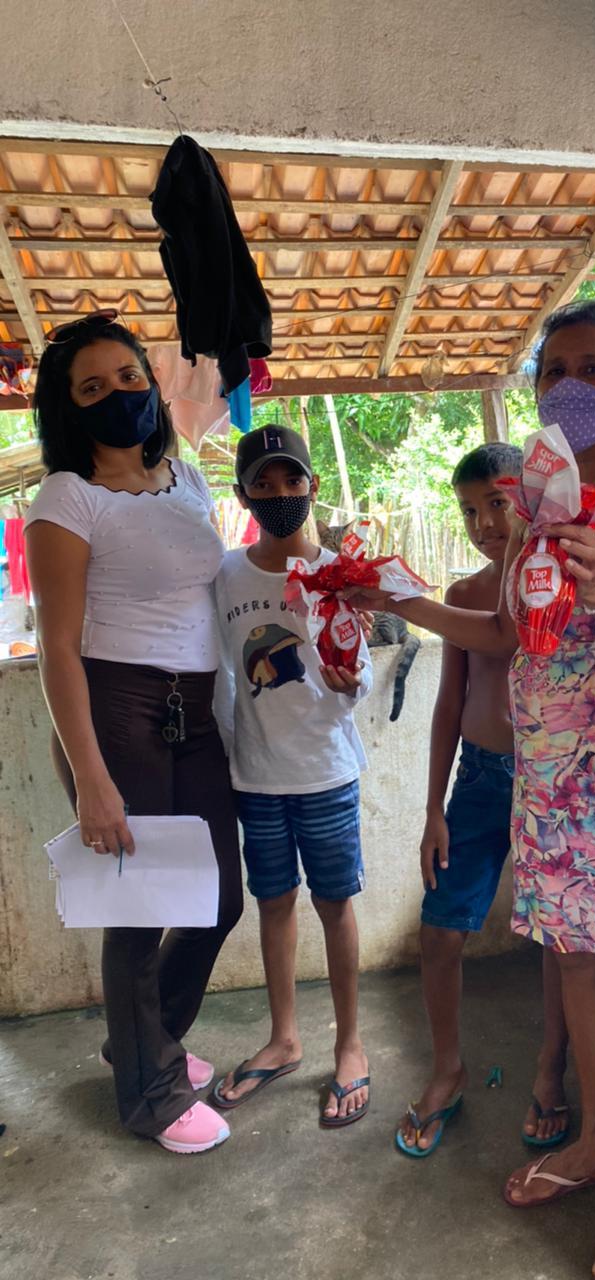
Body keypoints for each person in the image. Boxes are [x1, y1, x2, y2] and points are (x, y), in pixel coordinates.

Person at [350, 301, 595, 1277]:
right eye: (553, 370)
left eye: (593, 366)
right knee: (575, 963)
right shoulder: (538, 490)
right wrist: (406, 601)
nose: (569, 385)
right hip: (544, 775)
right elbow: (504, 635)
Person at [24, 311, 243, 1155]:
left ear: (150, 387)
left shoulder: (186, 481)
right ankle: (149, 1095)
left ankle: (147, 1042)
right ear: (69, 409)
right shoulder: (65, 498)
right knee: (140, 911)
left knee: (220, 896)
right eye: (91, 387)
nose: (116, 394)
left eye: (126, 378)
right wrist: (91, 777)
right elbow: (59, 651)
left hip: (196, 709)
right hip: (117, 708)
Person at [396, 441, 572, 1157]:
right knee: (440, 930)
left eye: (496, 504)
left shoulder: (558, 583)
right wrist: (433, 807)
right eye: (469, 510)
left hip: (550, 779)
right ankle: (448, 1070)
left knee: (560, 943)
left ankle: (551, 1069)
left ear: (526, 499)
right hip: (478, 778)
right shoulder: (464, 595)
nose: (483, 523)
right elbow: (449, 704)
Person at [211, 425, 372, 1126]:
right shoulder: (227, 575)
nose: (280, 494)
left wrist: (348, 686)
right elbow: (218, 670)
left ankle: (352, 1045)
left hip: (327, 771)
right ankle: (284, 1038)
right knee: (273, 904)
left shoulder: (342, 573)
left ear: (312, 483)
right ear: (243, 492)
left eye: (292, 480)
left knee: (336, 906)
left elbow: (358, 677)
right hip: (255, 774)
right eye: (263, 484)